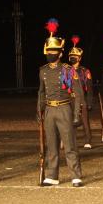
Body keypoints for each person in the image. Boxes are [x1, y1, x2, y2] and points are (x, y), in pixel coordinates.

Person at [37, 19, 85, 186]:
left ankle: (76, 175)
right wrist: (39, 111)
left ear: (60, 52)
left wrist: (77, 114)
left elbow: (78, 94)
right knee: (51, 145)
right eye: (49, 50)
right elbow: (41, 93)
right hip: (50, 110)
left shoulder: (68, 70)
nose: (51, 53)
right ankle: (52, 175)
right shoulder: (42, 71)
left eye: (54, 50)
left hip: (64, 107)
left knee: (70, 144)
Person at [68, 36, 95, 149]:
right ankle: (70, 141)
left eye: (75, 56)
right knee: (69, 120)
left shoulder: (85, 71)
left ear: (79, 58)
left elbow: (89, 88)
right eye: (71, 56)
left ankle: (88, 140)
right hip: (70, 98)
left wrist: (89, 102)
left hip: (82, 98)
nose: (73, 58)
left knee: (84, 120)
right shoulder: (66, 70)